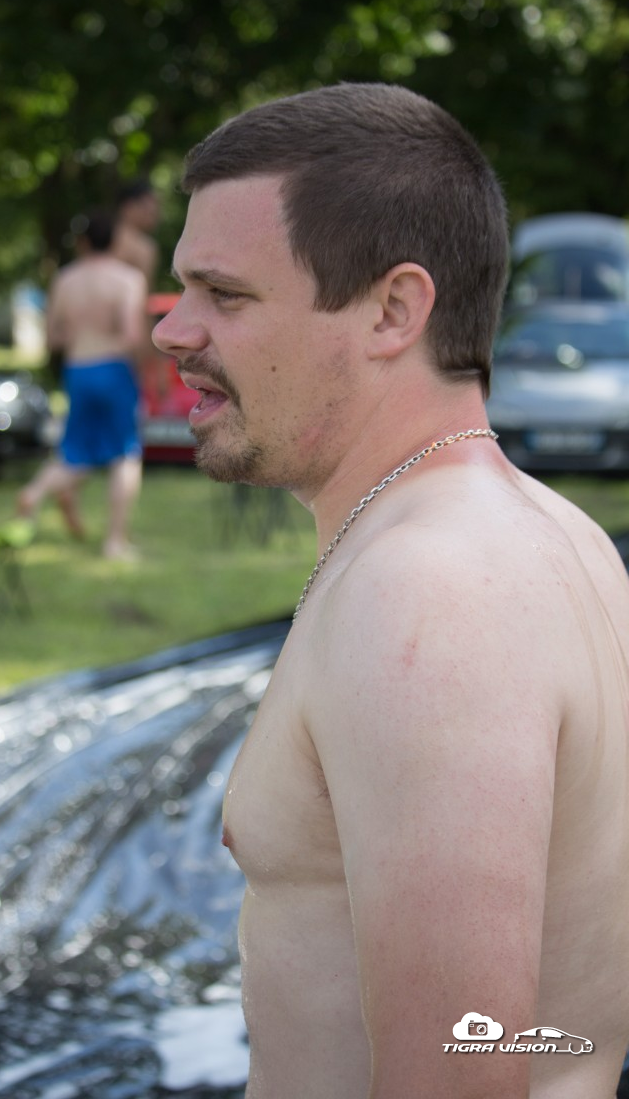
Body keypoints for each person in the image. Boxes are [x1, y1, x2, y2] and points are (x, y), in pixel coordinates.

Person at [151, 83, 629, 1098]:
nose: (173, 330)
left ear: (392, 310)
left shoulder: (429, 593)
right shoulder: (551, 533)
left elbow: (460, 1073)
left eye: (224, 295)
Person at [18, 209, 146, 556]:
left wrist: (79, 335)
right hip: (113, 368)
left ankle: (34, 492)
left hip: (78, 369)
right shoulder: (128, 279)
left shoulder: (65, 279)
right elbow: (132, 336)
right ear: (114, 240)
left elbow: (52, 338)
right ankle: (115, 540)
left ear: (83, 241)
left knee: (75, 450)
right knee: (125, 455)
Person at [111, 177, 161, 286]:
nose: (154, 213)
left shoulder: (101, 237)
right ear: (128, 206)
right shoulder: (144, 247)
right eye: (147, 209)